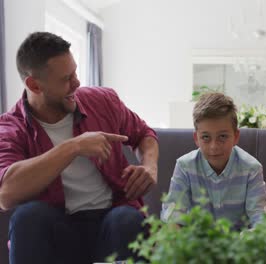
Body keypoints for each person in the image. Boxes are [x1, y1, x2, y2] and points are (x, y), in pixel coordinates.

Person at [0, 32, 159, 264]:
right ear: (34, 85)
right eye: (66, 79)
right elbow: (5, 194)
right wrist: (73, 146)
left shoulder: (102, 101)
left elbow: (144, 134)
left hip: (111, 217)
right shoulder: (10, 127)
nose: (77, 83)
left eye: (75, 72)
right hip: (56, 226)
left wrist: (150, 166)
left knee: (128, 219)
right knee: (28, 218)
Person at [161, 92, 266, 230]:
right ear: (196, 138)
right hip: (195, 245)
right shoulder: (184, 167)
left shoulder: (251, 168)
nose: (214, 146)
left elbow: (261, 217)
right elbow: (174, 215)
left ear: (236, 136)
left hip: (239, 246)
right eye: (206, 137)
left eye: (223, 136)